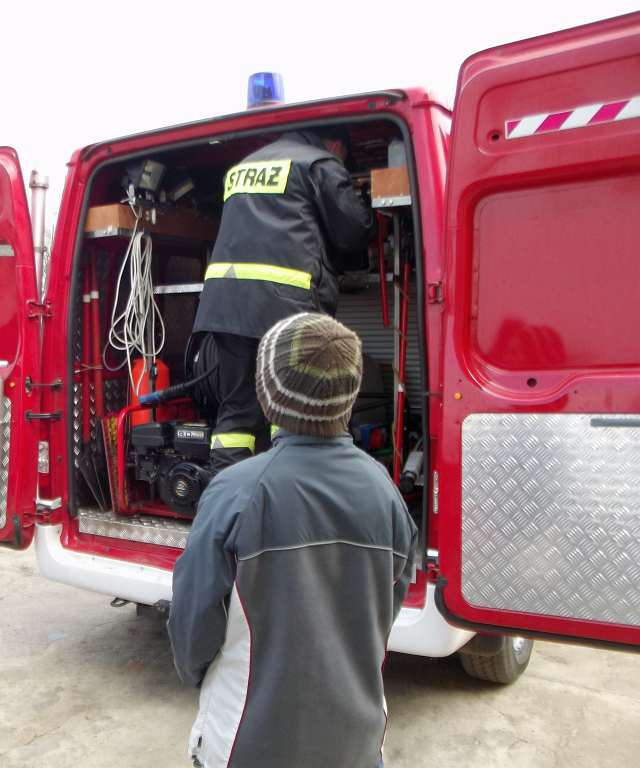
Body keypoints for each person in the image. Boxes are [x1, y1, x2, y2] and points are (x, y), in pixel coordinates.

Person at [168, 313, 418, 768]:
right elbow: (385, 612)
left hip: (247, 745)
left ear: (267, 395)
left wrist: (199, 674)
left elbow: (193, 626)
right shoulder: (385, 492)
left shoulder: (238, 492)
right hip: (356, 745)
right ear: (350, 394)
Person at [191, 128, 375, 469]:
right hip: (285, 306)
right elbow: (352, 233)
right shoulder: (321, 163)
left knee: (236, 411)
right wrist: (365, 205)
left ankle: (226, 498)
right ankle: (286, 500)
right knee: (293, 409)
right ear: (336, 144)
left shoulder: (242, 166)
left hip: (225, 306)